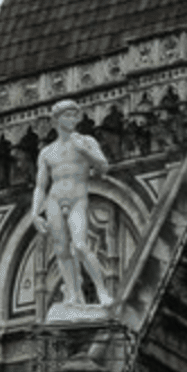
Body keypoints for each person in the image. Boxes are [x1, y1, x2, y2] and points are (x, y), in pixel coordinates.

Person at [31, 99, 114, 309]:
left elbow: (104, 167)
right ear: (56, 121)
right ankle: (74, 296)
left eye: (73, 115)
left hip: (78, 197)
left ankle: (102, 292)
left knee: (79, 246)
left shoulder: (86, 141)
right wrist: (34, 213)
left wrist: (84, 151)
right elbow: (41, 186)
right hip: (54, 199)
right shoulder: (47, 152)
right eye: (66, 116)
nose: (71, 119)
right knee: (61, 251)